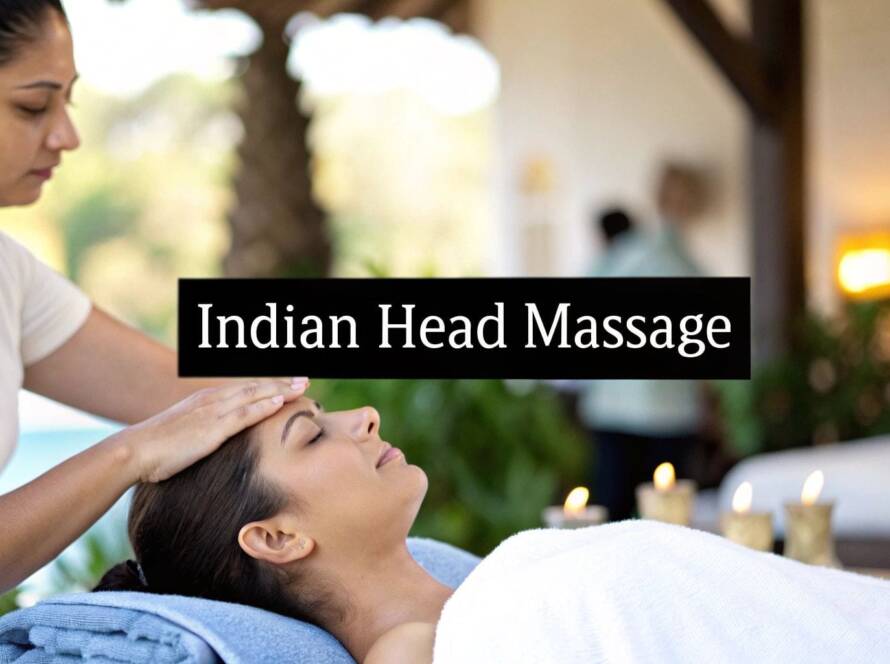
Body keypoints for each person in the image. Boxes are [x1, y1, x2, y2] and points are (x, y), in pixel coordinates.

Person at [95, 395, 890, 664]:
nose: (363, 417)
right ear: (274, 538)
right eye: (311, 435)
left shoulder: (484, 589)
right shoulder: (413, 649)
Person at [0, 0, 310, 593]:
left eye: (69, 101)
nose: (67, 136)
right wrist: (131, 454)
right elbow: (164, 429)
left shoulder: (8, 274)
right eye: (33, 106)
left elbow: (205, 396)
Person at [580, 166, 706, 520]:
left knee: (646, 517)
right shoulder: (640, 255)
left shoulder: (660, 258)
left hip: (662, 412)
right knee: (645, 517)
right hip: (628, 411)